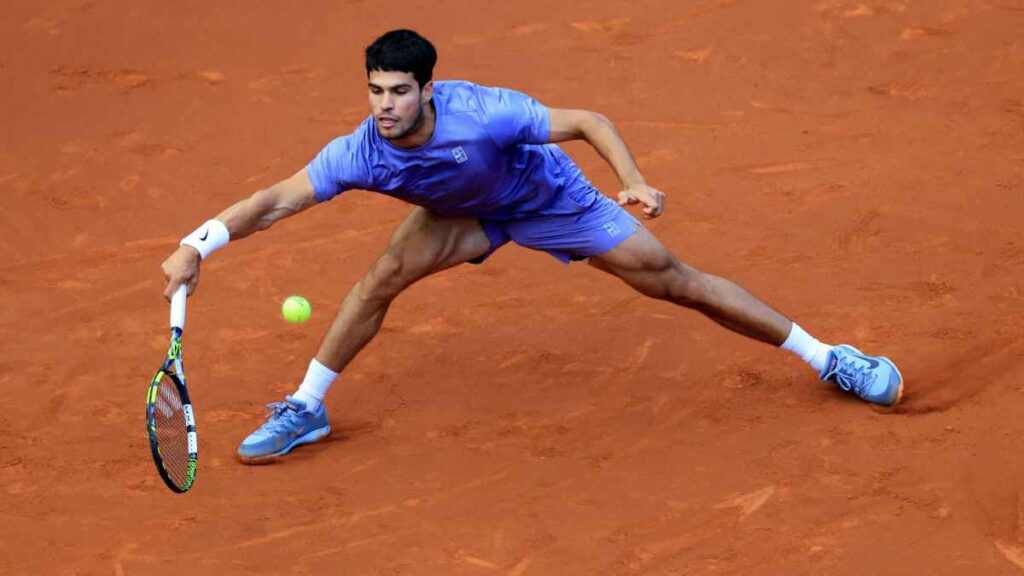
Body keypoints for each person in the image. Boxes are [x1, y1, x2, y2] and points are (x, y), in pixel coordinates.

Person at [161, 29, 903, 464]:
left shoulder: (484, 113)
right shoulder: (362, 151)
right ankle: (306, 407)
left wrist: (634, 180)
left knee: (675, 281)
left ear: (427, 89)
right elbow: (272, 203)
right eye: (374, 91)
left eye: (397, 91)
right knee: (383, 276)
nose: (383, 106)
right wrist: (199, 242)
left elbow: (588, 120)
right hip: (460, 214)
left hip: (551, 200)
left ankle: (831, 358)